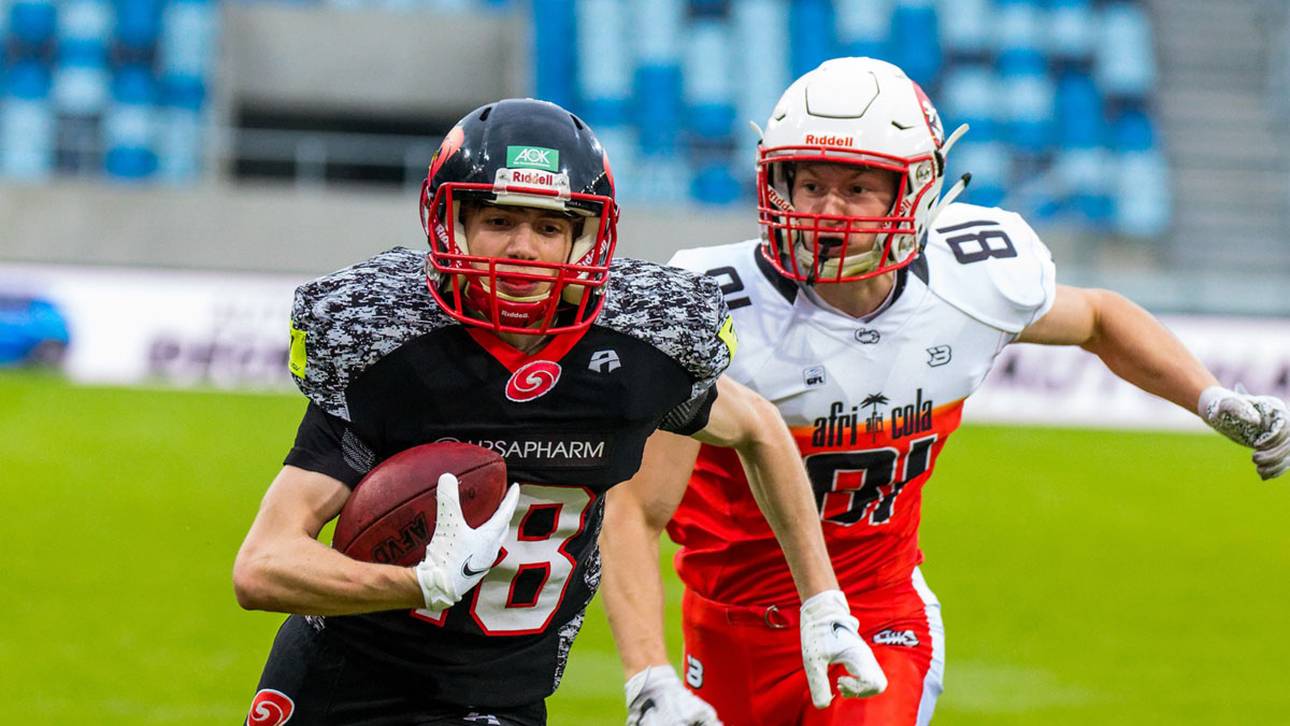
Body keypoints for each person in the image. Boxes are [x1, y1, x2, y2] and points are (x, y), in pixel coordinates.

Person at [600, 57, 1290, 726]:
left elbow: (1101, 318)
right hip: (729, 625)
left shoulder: (970, 281)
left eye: (858, 187)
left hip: (879, 613)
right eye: (810, 184)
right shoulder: (710, 310)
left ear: (917, 193)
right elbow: (636, 509)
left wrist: (1210, 397)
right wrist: (649, 674)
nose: (829, 210)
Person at [232, 98, 887, 726]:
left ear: (589, 236)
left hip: (499, 695)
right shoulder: (388, 344)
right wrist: (418, 583)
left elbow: (759, 429)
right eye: (498, 221)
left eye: (549, 226)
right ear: (449, 222)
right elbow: (262, 565)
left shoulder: (639, 345)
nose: (524, 247)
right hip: (338, 678)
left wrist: (823, 601)